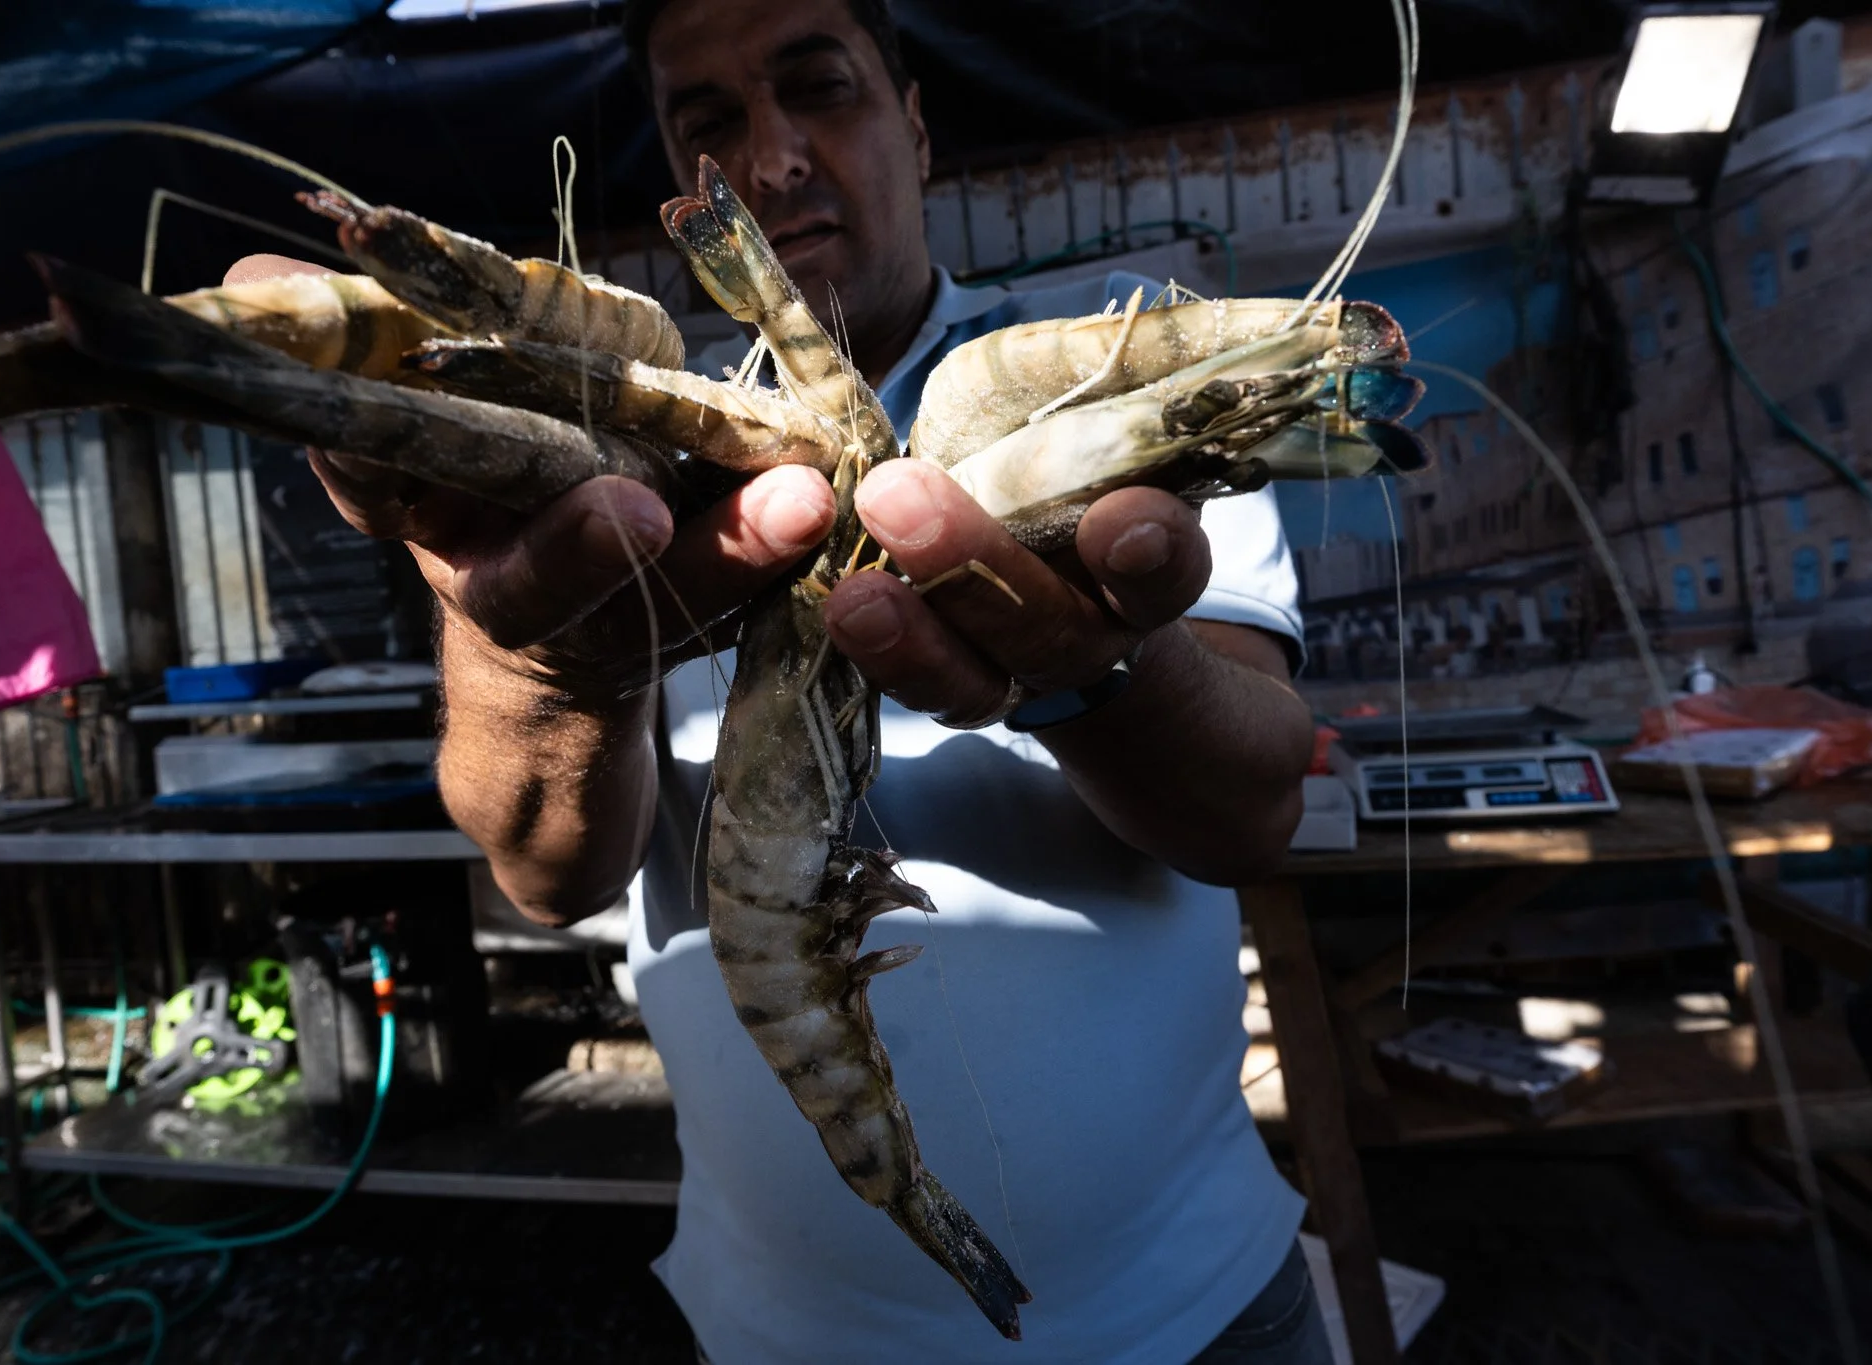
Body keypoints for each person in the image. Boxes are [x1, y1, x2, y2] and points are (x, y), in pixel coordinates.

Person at [235, 0, 1328, 1359]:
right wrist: (543, 670)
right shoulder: (616, 488)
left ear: (916, 125)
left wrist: (1095, 673)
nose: (774, 156)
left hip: (1200, 1306)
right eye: (710, 124)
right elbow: (545, 879)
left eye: (819, 89)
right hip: (775, 1328)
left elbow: (1254, 817)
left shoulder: (1105, 414)